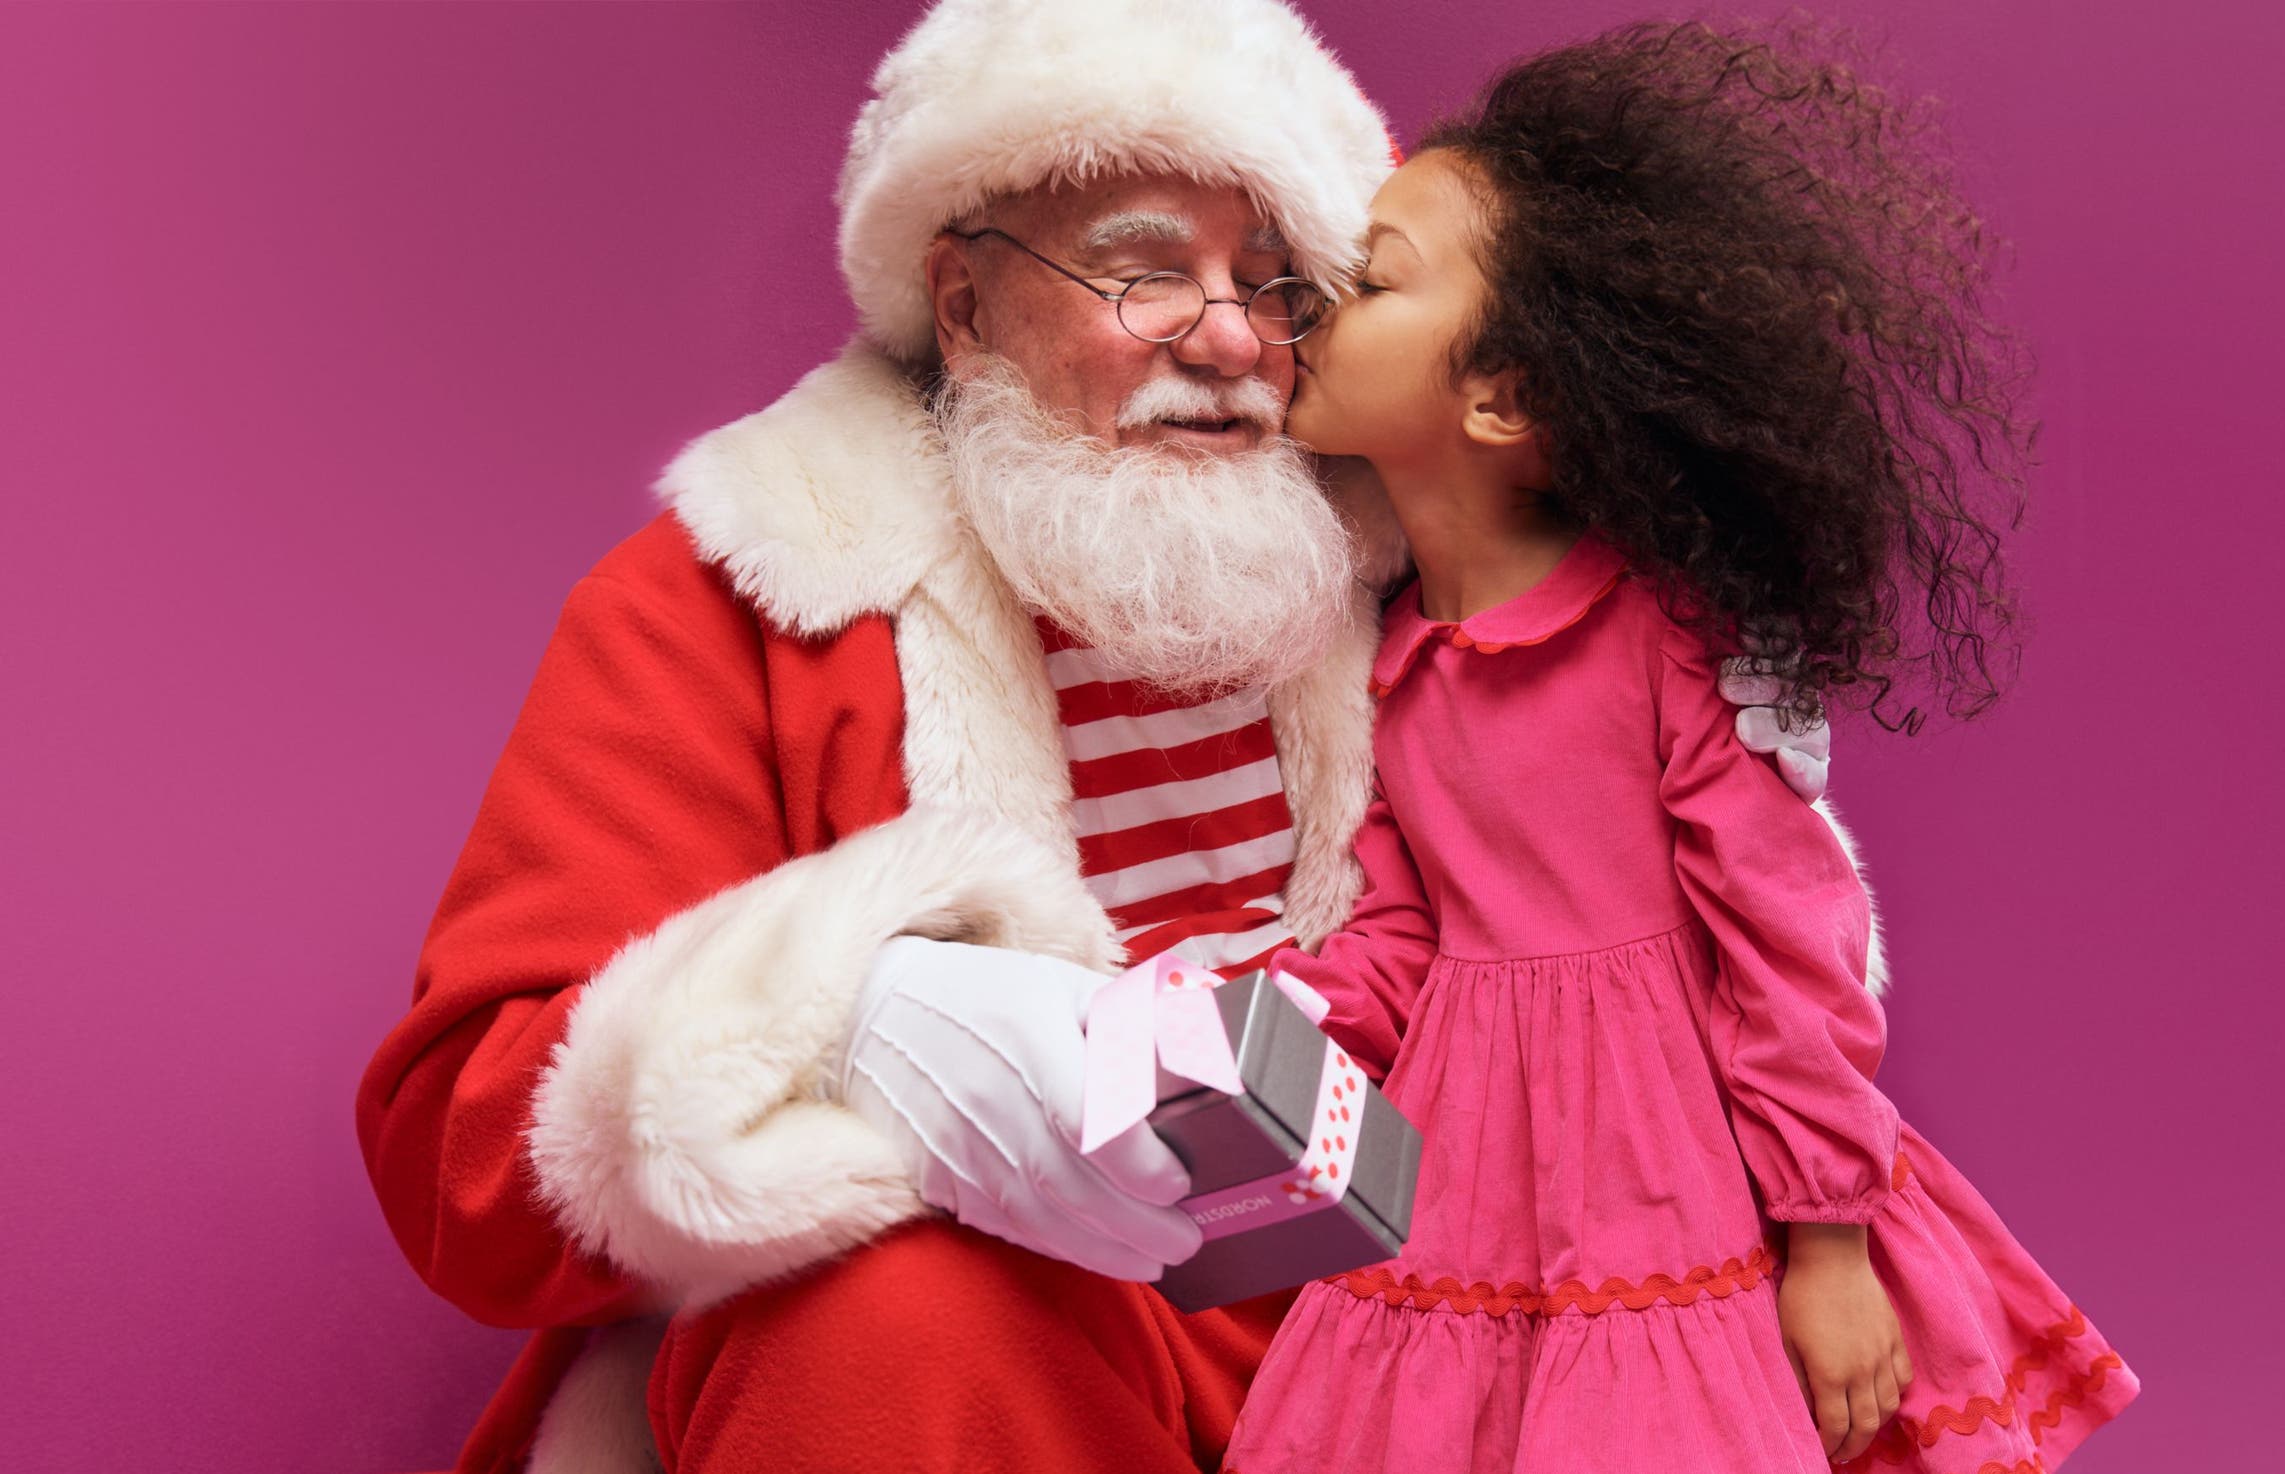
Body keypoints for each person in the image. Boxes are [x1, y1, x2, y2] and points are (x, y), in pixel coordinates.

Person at [355, 3, 1830, 1470]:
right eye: (1141, 272)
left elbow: (1712, 953)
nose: (1232, 335)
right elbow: (468, 1151)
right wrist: (844, 1024)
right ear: (964, 305)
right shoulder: (759, 580)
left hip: (1426, 1326)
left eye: (1279, 284)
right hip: (1016, 1363)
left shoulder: (1433, 571)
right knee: (892, 1321)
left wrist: (1716, 732)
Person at [1221, 21, 2139, 1474]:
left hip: (1668, 1171)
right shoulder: (1392, 661)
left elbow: (1791, 933)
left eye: (1374, 278)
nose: (1313, 307)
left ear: (1503, 396)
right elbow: (1397, 935)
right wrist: (1238, 1024)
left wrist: (1827, 1244)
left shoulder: (1666, 637)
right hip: (1465, 1169)